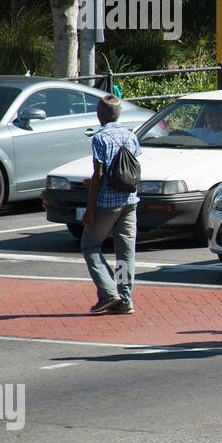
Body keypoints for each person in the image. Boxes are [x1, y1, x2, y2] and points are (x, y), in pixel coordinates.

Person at [81, 95, 142, 315]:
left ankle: (108, 294)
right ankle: (125, 299)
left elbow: (99, 173)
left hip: (107, 204)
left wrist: (89, 209)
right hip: (130, 201)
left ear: (99, 116)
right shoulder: (130, 135)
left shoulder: (100, 138)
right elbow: (128, 168)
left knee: (90, 245)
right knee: (125, 254)